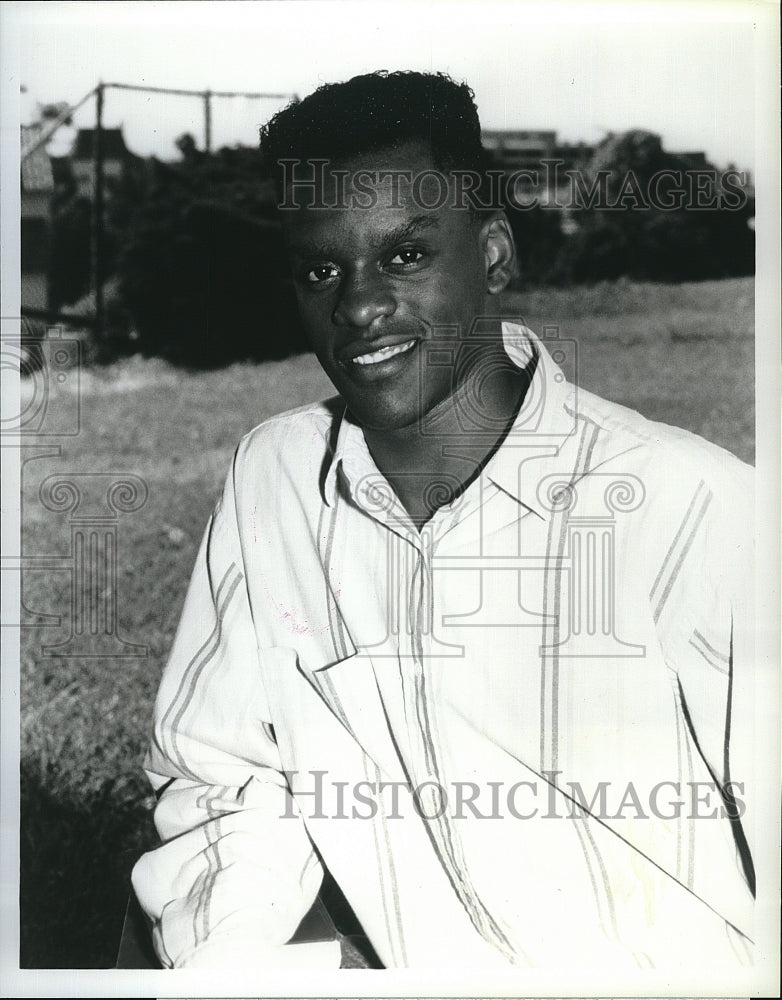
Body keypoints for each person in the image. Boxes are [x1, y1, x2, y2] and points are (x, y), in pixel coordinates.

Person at [131, 70, 756, 970]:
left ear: (495, 255)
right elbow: (223, 777)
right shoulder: (275, 478)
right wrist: (236, 959)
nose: (358, 305)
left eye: (405, 256)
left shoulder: (688, 505)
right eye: (321, 269)